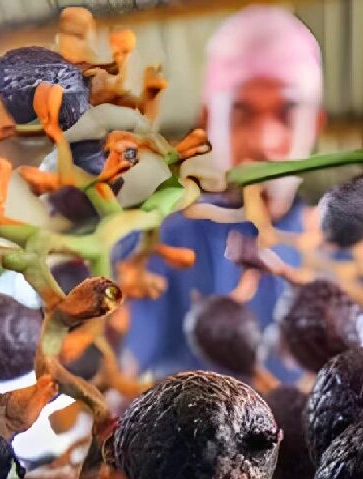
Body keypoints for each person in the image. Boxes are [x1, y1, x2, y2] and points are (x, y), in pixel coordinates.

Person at [121, 5, 326, 380]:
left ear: (317, 124)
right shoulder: (153, 247)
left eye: (288, 113)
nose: (265, 142)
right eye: (241, 113)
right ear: (207, 121)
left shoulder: (337, 257)